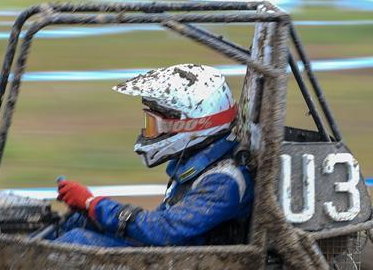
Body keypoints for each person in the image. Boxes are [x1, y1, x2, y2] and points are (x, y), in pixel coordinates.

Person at [49, 64, 253, 247]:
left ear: (193, 125)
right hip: (175, 255)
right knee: (79, 222)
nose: (148, 132)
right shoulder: (199, 166)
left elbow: (164, 230)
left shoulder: (224, 181)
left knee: (77, 243)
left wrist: (93, 203)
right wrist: (90, 210)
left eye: (153, 124)